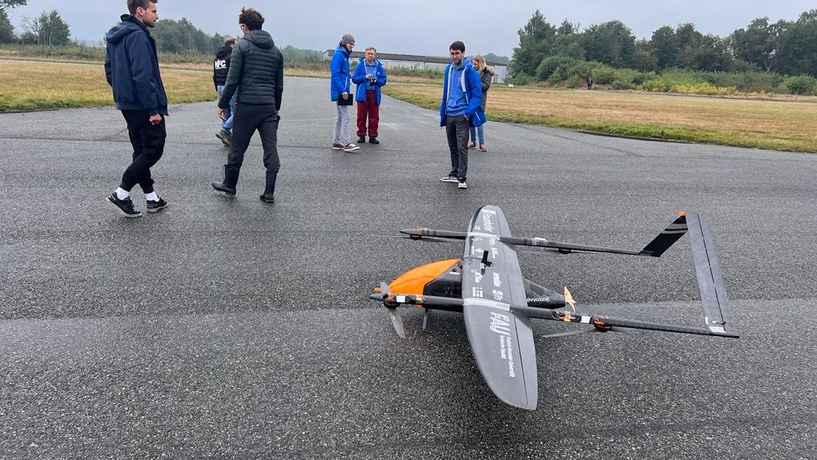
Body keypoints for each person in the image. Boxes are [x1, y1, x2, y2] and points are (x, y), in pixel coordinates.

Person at [211, 7, 284, 203]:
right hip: (268, 107)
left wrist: (222, 103)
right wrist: (276, 106)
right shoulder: (276, 52)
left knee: (237, 147)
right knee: (271, 148)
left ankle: (230, 185)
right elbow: (279, 85)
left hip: (247, 105)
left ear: (244, 27)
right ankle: (269, 192)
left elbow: (232, 80)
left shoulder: (242, 46)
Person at [104, 0, 168, 217]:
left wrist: (123, 91)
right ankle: (121, 193)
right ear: (140, 11)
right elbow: (143, 75)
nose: (157, 16)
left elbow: (109, 69)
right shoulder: (139, 36)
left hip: (127, 102)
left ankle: (151, 198)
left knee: (141, 150)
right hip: (143, 104)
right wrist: (152, 109)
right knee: (153, 149)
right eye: (154, 11)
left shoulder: (115, 35)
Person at [439, 41, 482, 190]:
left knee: (461, 147)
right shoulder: (449, 69)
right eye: (452, 53)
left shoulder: (470, 71)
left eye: (457, 53)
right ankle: (454, 173)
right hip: (449, 113)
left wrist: (467, 112)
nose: (454, 56)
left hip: (462, 114)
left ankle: (462, 178)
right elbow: (446, 91)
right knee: (452, 147)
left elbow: (477, 95)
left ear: (463, 53)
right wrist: (443, 111)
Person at [351, 47, 387, 144]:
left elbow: (384, 80)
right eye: (368, 53)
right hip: (363, 93)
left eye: (372, 53)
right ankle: (361, 135)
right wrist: (364, 77)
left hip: (374, 94)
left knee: (374, 117)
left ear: (374, 55)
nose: (370, 55)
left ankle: (373, 136)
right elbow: (354, 79)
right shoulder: (360, 66)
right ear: (365, 55)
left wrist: (377, 80)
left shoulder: (379, 67)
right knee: (361, 116)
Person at [330, 34, 359, 152]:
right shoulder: (339, 55)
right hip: (341, 91)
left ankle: (336, 142)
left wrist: (349, 79)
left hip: (342, 90)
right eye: (350, 43)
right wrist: (343, 90)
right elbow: (335, 74)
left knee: (340, 116)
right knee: (345, 116)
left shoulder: (344, 55)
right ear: (345, 43)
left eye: (353, 44)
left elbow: (343, 74)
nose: (352, 46)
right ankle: (347, 143)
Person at [213, 36, 237, 147]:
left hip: (219, 86)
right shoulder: (232, 56)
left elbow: (214, 75)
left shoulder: (217, 58)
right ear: (232, 44)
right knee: (236, 111)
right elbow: (234, 73)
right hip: (229, 86)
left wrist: (217, 90)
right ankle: (225, 130)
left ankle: (225, 137)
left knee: (225, 111)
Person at [468, 54, 494, 152]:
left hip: (480, 99)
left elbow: (486, 86)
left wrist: (476, 82)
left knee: (479, 121)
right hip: (471, 99)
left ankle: (481, 143)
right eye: (473, 64)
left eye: (476, 64)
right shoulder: (472, 72)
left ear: (480, 64)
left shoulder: (487, 73)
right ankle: (472, 141)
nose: (474, 66)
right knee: (471, 120)